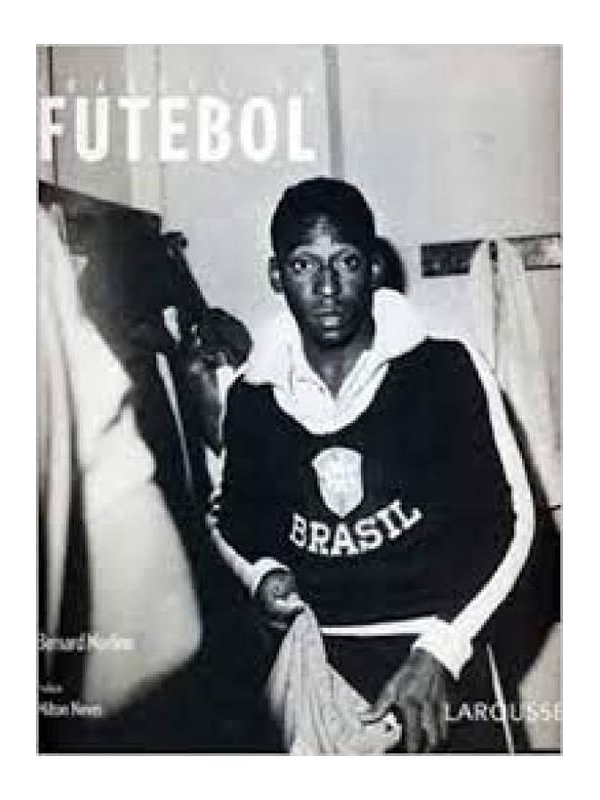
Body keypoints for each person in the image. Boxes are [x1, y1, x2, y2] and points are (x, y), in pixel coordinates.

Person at [211, 177, 534, 752]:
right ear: (277, 276)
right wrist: (262, 574)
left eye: (346, 261)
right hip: (323, 666)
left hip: (442, 655)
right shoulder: (252, 395)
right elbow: (229, 518)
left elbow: (511, 525)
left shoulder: (446, 371)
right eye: (304, 265)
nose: (327, 286)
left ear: (375, 267)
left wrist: (441, 650)